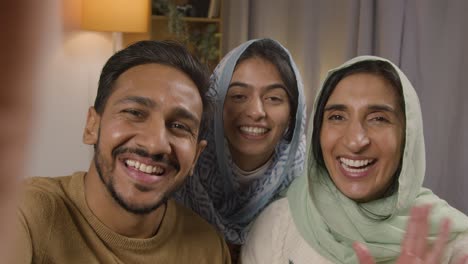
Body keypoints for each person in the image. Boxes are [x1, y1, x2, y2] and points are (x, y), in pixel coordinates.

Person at [15, 40, 231, 263]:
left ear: (195, 156)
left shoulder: (208, 248)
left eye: (179, 126)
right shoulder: (24, 212)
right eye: (134, 113)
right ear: (92, 126)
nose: (155, 144)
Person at [241, 56, 468, 263]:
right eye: (337, 117)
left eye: (378, 118)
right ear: (318, 131)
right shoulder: (278, 226)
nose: (355, 141)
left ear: (408, 135)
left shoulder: (452, 243)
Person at [174, 38, 307, 254]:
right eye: (238, 96)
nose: (256, 112)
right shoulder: (183, 167)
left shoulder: (305, 186)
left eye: (274, 98)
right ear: (214, 103)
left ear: (294, 112)